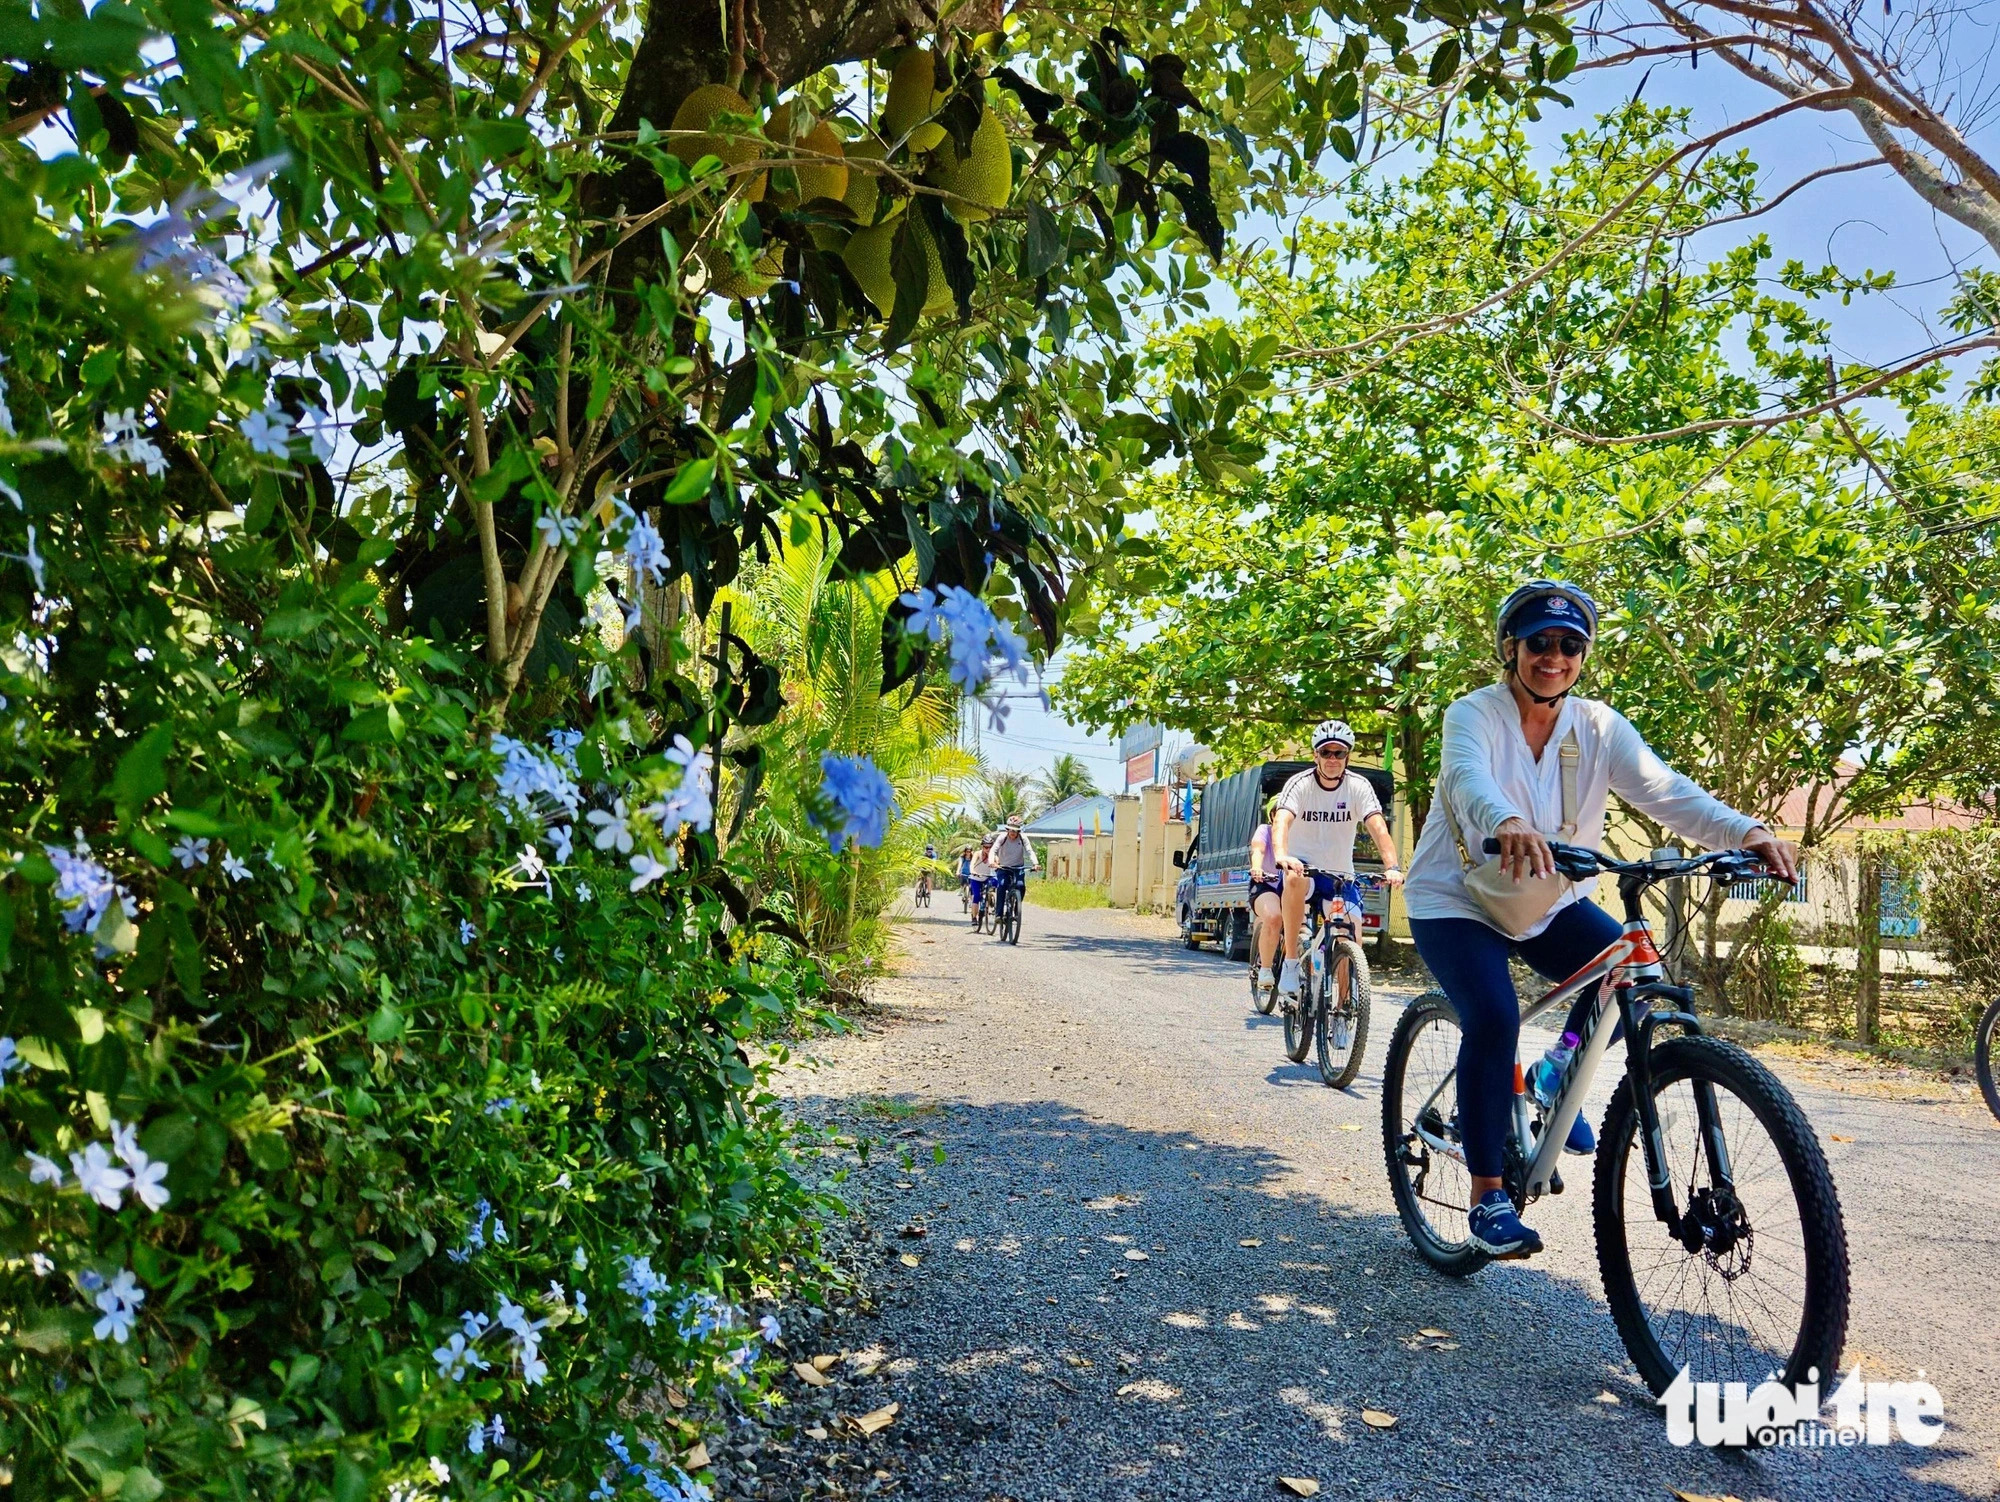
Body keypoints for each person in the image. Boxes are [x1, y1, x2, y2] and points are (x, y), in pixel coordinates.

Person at [1401, 579, 1797, 1261]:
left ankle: (1557, 1074)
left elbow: (1664, 789)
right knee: (1493, 1017)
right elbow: (1469, 780)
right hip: (1456, 898)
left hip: (1546, 897)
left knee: (1630, 972)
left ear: (1583, 656)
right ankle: (1488, 1195)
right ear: (1511, 649)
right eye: (1539, 643)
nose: (1553, 656)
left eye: (1569, 645)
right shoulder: (1473, 714)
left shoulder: (1598, 726)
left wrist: (1746, 832)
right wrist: (1509, 821)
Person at [1273, 719, 1403, 999]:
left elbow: (1378, 827)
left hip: (1339, 875)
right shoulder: (1300, 784)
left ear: (1348, 755)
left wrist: (1392, 867)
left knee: (1349, 937)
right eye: (1326, 752)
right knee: (1294, 879)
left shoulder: (1358, 786)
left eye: (1339, 753)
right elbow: (1282, 820)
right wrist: (1283, 855)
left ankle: (1344, 1008)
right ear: (1315, 755)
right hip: (1303, 867)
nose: (1332, 759)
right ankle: (1292, 963)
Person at [1247, 794, 1286, 989]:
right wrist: (1257, 868)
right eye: (1277, 814)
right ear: (1271, 816)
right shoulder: (1264, 831)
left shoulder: (1301, 837)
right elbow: (1258, 850)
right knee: (1273, 917)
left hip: (1293, 888)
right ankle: (1265, 968)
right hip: (1266, 884)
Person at [986, 813, 1039, 919]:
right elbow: (993, 850)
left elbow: (1030, 851)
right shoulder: (1002, 837)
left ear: (1019, 830)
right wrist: (992, 861)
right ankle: (999, 914)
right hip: (1003, 867)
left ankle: (1016, 908)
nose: (1012, 833)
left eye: (1015, 830)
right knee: (1001, 885)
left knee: (1021, 886)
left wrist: (1035, 863)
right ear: (1007, 829)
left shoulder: (1023, 838)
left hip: (1018, 868)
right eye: (1011, 830)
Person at [967, 836, 996, 924]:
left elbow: (998, 862)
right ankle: (974, 917)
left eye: (990, 847)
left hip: (987, 877)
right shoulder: (977, 854)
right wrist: (972, 871)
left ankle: (991, 901)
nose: (988, 849)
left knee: (996, 883)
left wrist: (997, 865)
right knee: (976, 897)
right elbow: (972, 863)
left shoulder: (993, 855)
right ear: (982, 847)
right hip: (976, 878)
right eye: (986, 847)